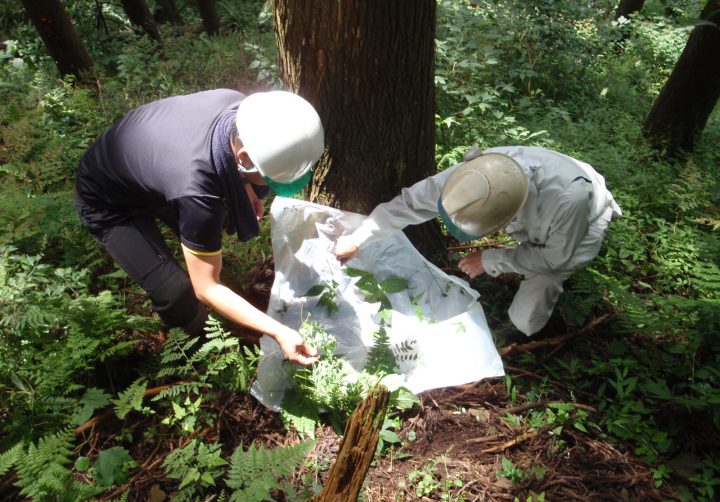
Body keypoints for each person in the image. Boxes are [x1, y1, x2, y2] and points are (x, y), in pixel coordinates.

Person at [75, 89, 324, 364]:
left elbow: (226, 163)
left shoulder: (245, 112)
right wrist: (278, 330)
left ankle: (215, 279)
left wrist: (250, 189)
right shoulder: (196, 192)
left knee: (206, 239)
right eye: (269, 178)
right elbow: (205, 287)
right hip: (107, 199)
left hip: (150, 167)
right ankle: (199, 346)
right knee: (175, 291)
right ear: (243, 158)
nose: (267, 187)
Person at [334, 146, 622, 336]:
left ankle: (524, 335)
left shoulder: (568, 204)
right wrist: (360, 237)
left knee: (542, 285)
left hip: (584, 220)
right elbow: (411, 203)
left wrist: (489, 260)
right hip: (540, 212)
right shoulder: (476, 176)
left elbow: (552, 258)